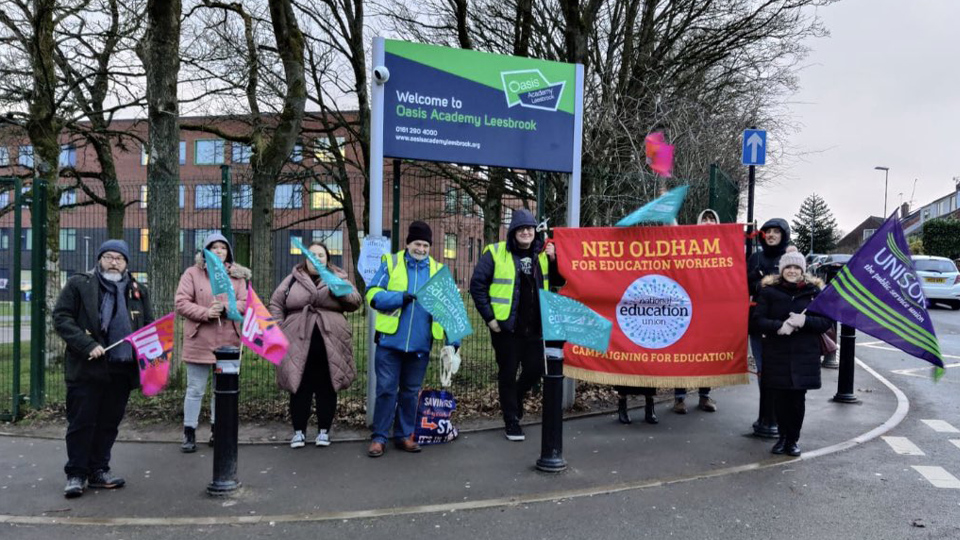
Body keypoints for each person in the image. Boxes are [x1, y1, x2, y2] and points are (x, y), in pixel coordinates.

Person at [53, 239, 154, 498]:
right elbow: (62, 317)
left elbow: (148, 328)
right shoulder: (80, 284)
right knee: (81, 422)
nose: (113, 262)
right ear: (99, 259)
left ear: (126, 263)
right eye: (108, 256)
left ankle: (99, 469)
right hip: (87, 367)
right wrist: (86, 345)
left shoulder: (138, 290)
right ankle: (76, 473)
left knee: (109, 423)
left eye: (119, 258)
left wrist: (150, 363)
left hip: (122, 368)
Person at [365, 221, 460, 457]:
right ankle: (379, 437)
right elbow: (372, 294)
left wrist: (453, 341)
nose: (422, 249)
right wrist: (399, 298)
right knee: (386, 390)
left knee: (410, 392)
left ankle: (404, 435)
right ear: (408, 243)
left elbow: (450, 310)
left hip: (420, 345)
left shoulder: (438, 271)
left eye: (426, 244)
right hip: (389, 342)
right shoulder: (391, 262)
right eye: (417, 243)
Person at [470, 209, 559, 442]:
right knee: (507, 374)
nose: (526, 232)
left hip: (535, 329)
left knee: (535, 369)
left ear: (534, 231)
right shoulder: (496, 253)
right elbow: (477, 286)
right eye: (521, 229)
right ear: (513, 232)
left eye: (529, 228)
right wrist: (490, 319)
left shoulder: (544, 253)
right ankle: (511, 420)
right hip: (506, 330)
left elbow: (560, 281)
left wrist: (554, 259)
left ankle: (517, 398)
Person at [270, 241, 362, 448]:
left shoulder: (338, 276)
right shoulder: (292, 279)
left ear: (327, 258)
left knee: (327, 386)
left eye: (321, 255)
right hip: (297, 340)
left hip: (331, 341)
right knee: (299, 385)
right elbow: (276, 303)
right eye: (312, 255)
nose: (316, 259)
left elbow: (355, 301)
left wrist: (340, 290)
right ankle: (299, 432)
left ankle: (323, 431)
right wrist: (280, 328)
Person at [750, 251, 832, 456]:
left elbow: (825, 322)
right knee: (779, 398)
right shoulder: (769, 291)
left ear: (803, 270)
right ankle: (782, 438)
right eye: (788, 267)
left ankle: (793, 440)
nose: (792, 271)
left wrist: (805, 321)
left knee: (797, 400)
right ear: (782, 269)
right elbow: (757, 320)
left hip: (804, 355)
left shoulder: (814, 292)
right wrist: (779, 326)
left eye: (796, 268)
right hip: (777, 353)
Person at [174, 232, 250, 453]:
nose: (218, 251)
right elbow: (181, 302)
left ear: (228, 252)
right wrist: (206, 312)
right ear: (206, 251)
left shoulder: (237, 277)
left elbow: (245, 303)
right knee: (195, 389)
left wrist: (228, 308)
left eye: (223, 247)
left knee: (223, 391)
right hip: (199, 340)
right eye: (214, 247)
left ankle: (219, 430)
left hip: (228, 342)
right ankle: (189, 432)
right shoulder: (192, 273)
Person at [746, 218, 792, 436]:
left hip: (783, 325)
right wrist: (755, 278)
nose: (771, 235)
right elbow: (744, 284)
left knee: (780, 372)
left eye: (776, 231)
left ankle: (779, 415)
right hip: (758, 323)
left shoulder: (789, 257)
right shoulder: (756, 258)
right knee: (763, 370)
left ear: (784, 234)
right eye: (768, 232)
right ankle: (765, 415)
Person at [673, 208, 722, 414]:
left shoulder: (723, 248)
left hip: (711, 310)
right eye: (705, 218)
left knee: (707, 355)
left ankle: (704, 395)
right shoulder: (688, 244)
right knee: (683, 352)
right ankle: (679, 398)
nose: (708, 222)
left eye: (712, 218)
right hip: (686, 307)